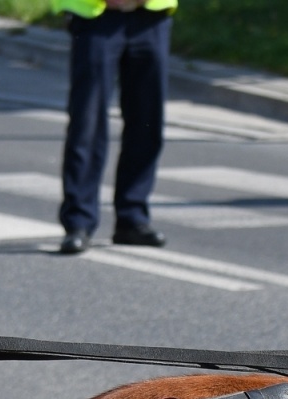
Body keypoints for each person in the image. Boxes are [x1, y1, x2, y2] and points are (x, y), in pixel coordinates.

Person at [52, 0, 175, 255]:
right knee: (88, 122)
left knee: (147, 120)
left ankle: (132, 218)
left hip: (150, 16)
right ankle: (79, 222)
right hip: (97, 15)